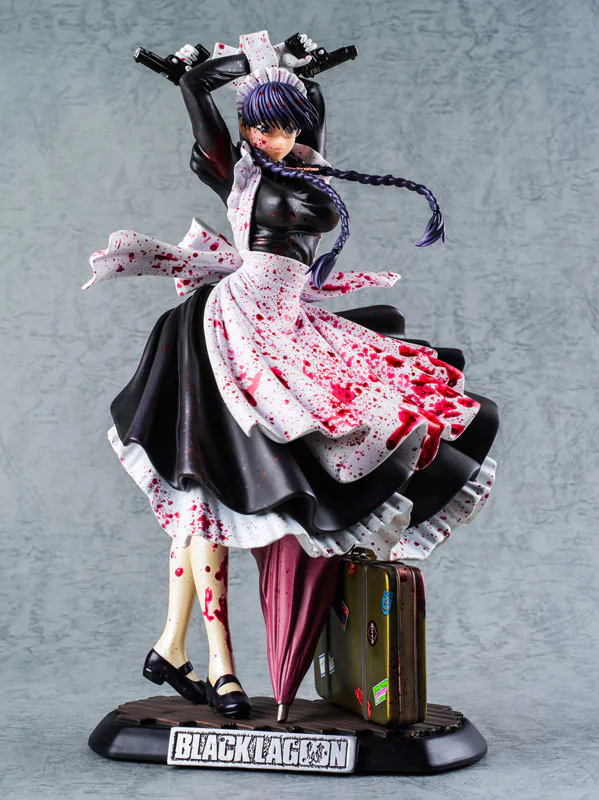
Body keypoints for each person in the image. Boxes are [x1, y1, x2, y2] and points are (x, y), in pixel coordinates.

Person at [85, 31, 498, 721]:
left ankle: (176, 647)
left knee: (386, 410)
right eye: (257, 127)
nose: (267, 139)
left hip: (289, 326)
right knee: (210, 488)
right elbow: (196, 95)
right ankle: (201, 657)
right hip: (231, 332)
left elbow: (310, 117)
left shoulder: (306, 166)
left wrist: (296, 73)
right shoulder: (241, 175)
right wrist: (236, 68)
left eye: (280, 127)